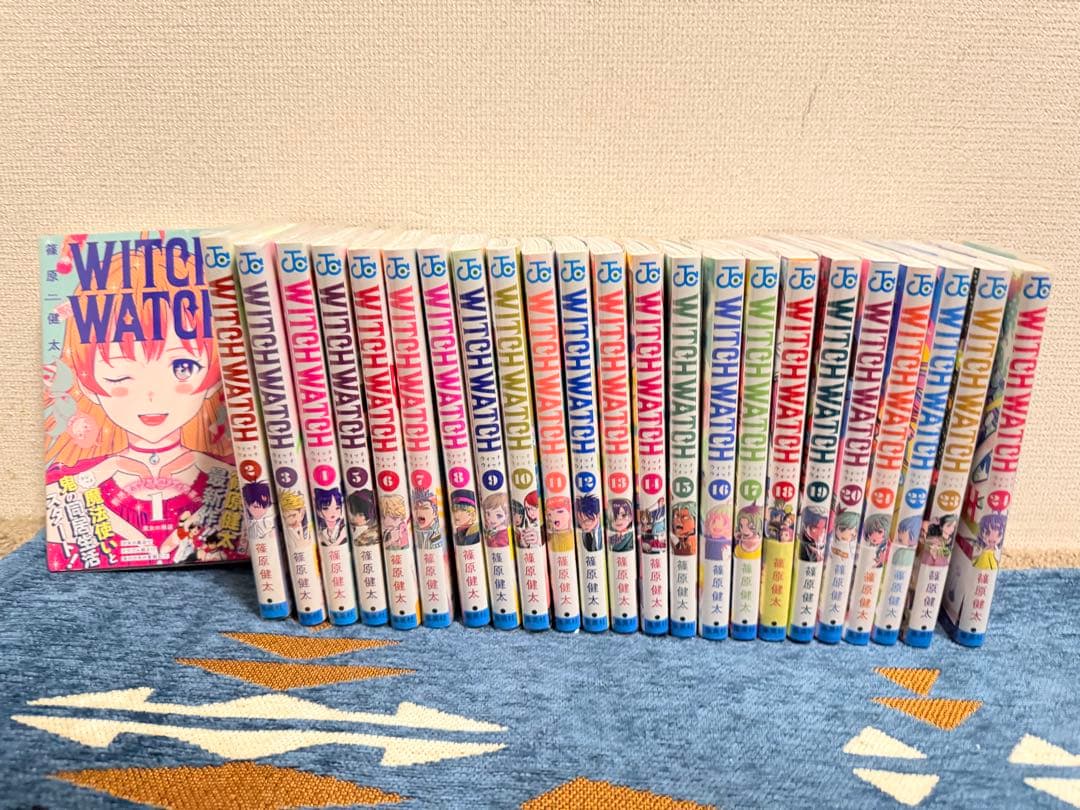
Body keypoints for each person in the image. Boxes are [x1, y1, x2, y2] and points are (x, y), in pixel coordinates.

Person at [44, 237, 236, 566]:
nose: (151, 395)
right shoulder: (66, 494)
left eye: (182, 368)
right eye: (120, 375)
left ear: (214, 373)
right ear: (87, 383)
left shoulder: (239, 485)